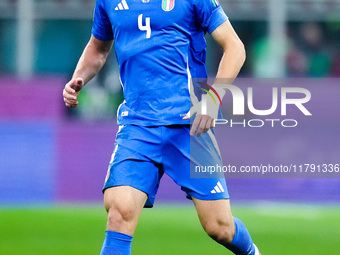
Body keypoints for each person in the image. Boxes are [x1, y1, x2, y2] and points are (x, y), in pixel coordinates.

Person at [63, 0, 261, 254]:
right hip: (137, 126)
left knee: (220, 228)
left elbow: (235, 47)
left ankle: (251, 251)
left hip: (190, 125)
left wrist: (213, 98)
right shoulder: (109, 1)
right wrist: (79, 77)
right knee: (119, 212)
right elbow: (97, 48)